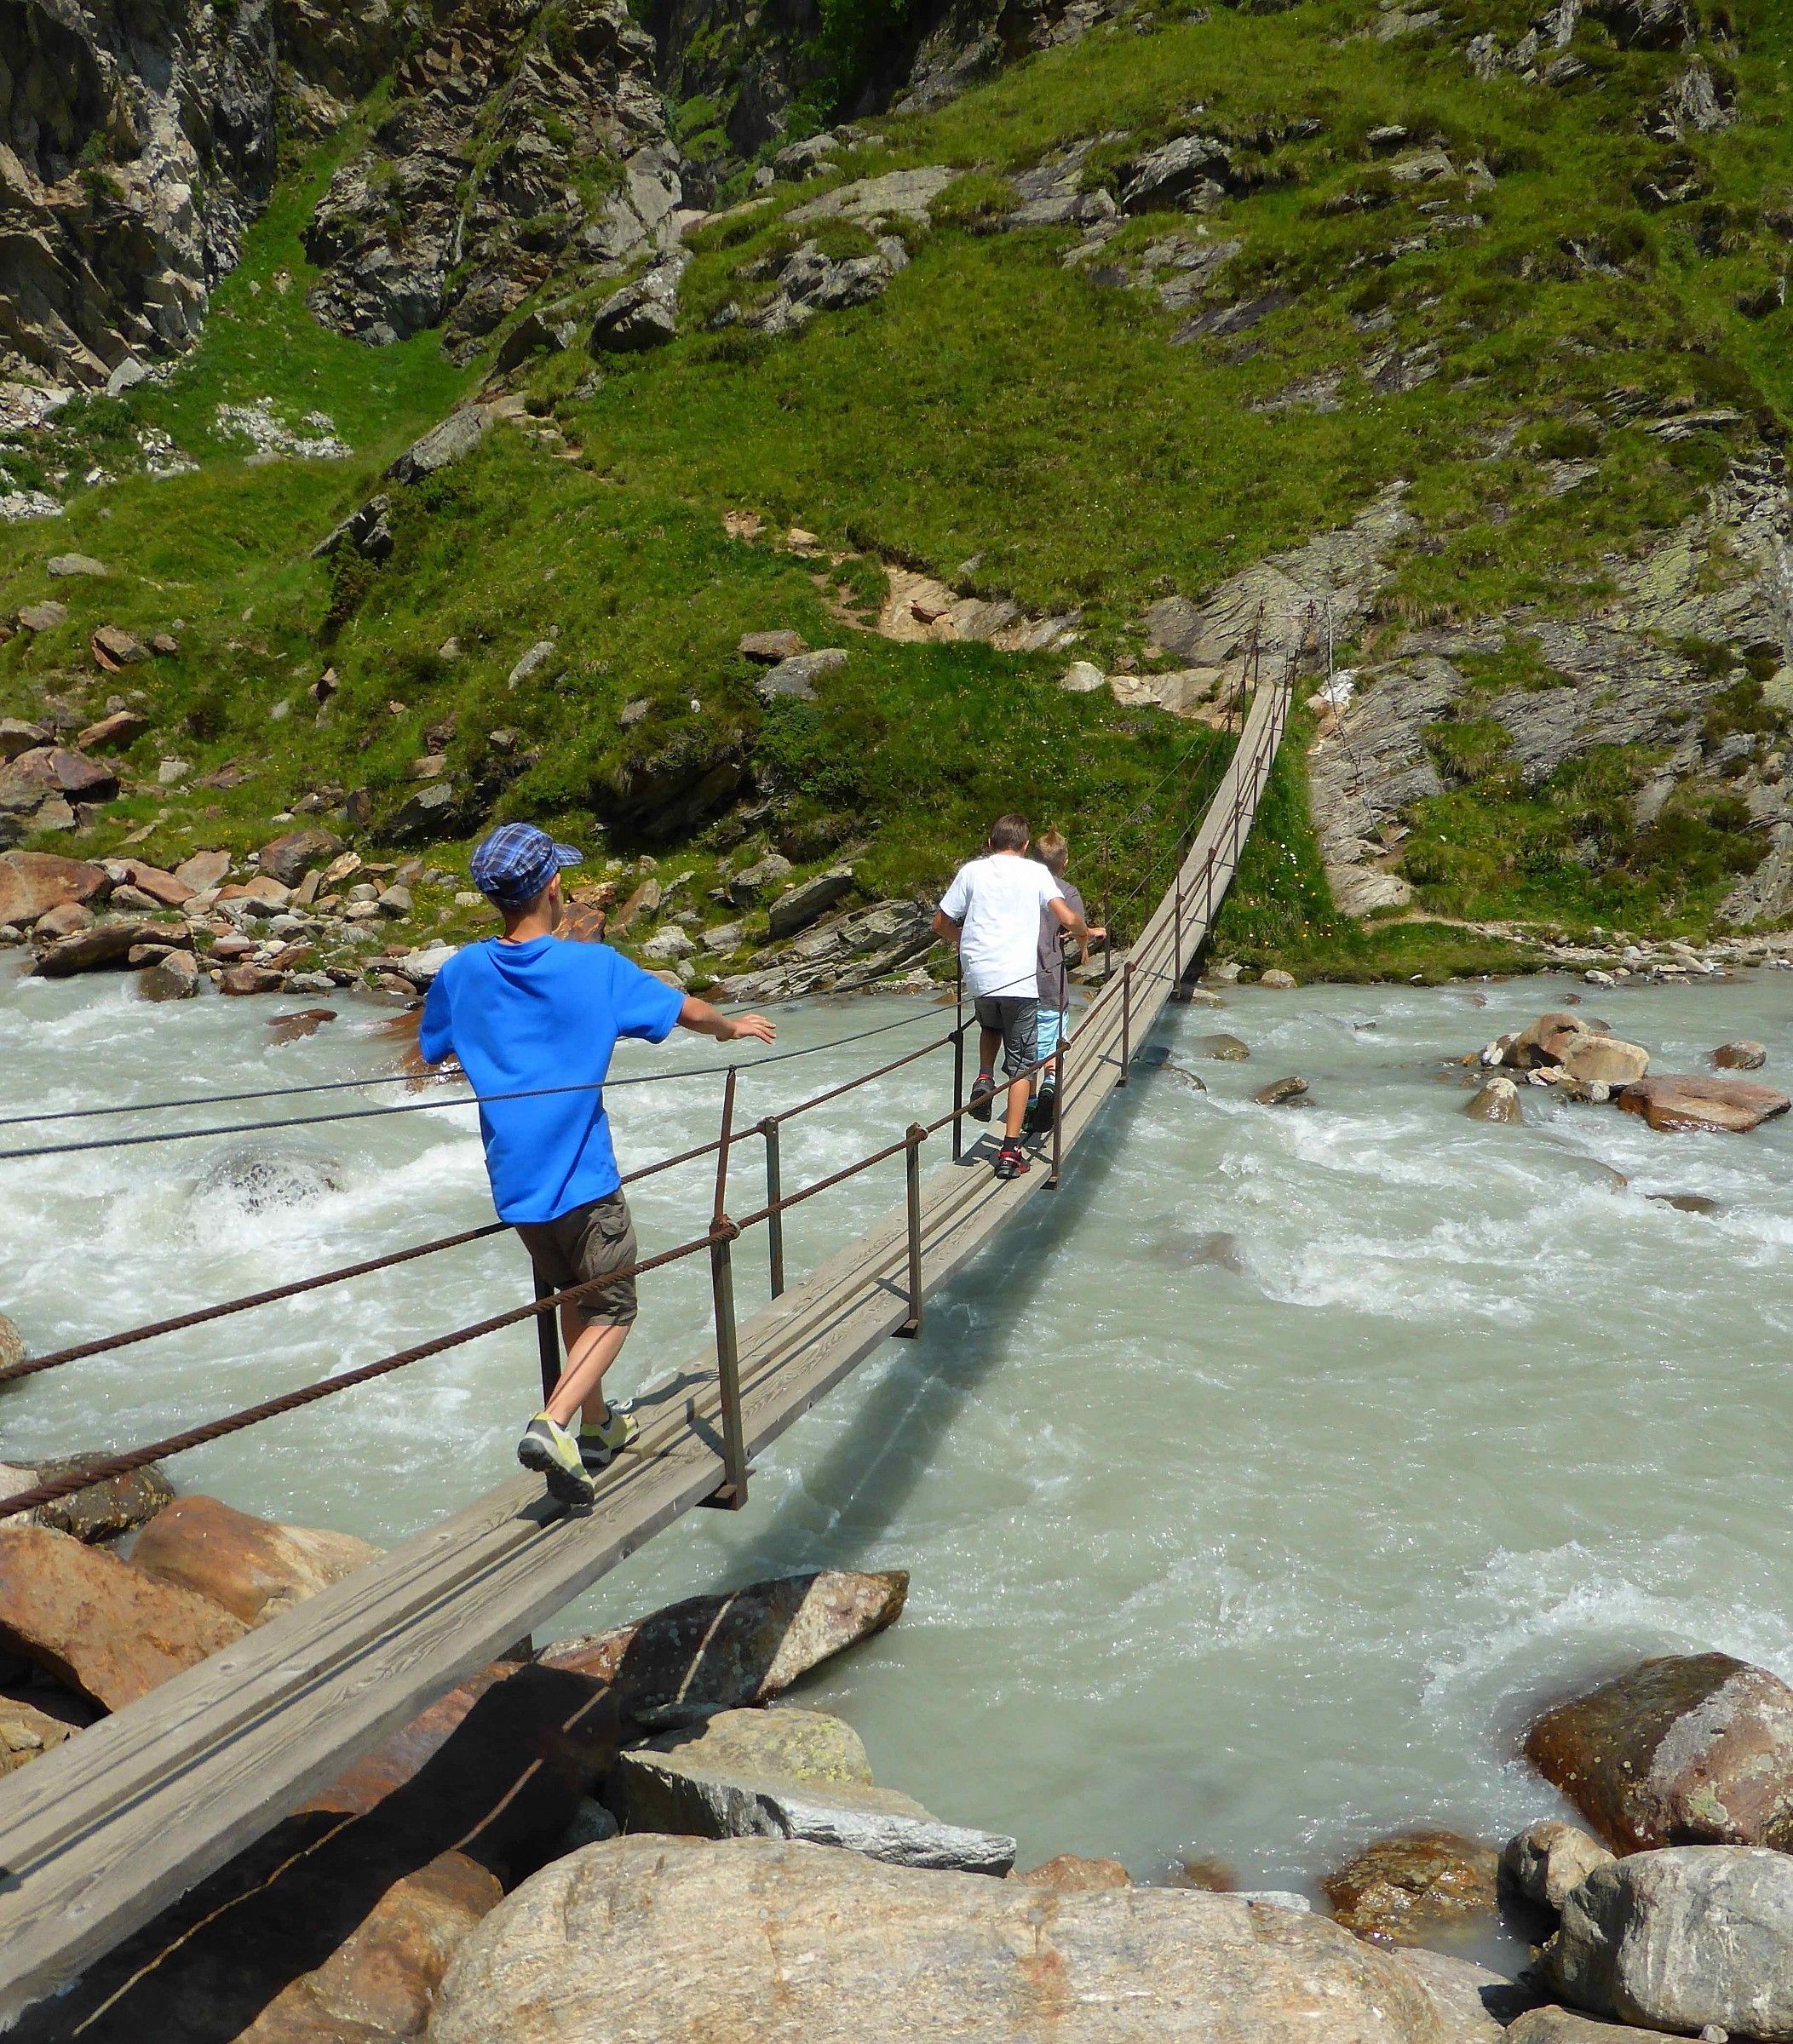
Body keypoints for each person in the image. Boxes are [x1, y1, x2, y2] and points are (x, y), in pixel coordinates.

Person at [419, 823, 775, 1507]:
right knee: (614, 1305)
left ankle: (597, 1424)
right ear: (553, 887)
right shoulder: (594, 967)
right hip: (583, 1179)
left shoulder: (460, 971)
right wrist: (732, 1026)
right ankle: (552, 1424)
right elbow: (685, 1011)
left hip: (515, 1184)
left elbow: (433, 1047)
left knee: (572, 1296)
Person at [933, 813, 1087, 1180]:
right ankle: (1009, 1151)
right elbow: (1066, 917)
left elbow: (941, 923)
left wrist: (964, 945)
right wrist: (1082, 930)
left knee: (990, 1027)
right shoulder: (1036, 873)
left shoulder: (971, 871)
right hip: (1019, 981)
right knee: (1023, 1066)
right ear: (1024, 846)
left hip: (980, 978)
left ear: (989, 843)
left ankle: (984, 1076)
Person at [1028, 828, 1103, 1134]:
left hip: (1017, 979)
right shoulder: (1067, 892)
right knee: (1053, 1035)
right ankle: (1050, 1083)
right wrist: (1086, 942)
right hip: (1050, 978)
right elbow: (1076, 925)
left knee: (1026, 1044)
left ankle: (1031, 1102)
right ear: (1066, 862)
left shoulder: (1021, 887)